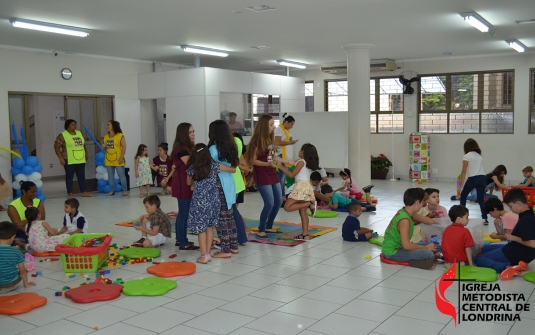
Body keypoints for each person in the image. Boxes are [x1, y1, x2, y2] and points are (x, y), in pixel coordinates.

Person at [245, 114, 293, 238]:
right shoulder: (256, 142)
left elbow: (273, 157)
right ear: (263, 126)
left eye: (273, 124)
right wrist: (268, 163)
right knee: (269, 203)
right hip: (261, 175)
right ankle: (261, 229)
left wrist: (286, 161)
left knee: (278, 201)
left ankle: (269, 226)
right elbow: (253, 160)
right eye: (271, 125)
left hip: (272, 173)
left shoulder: (270, 141)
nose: (273, 127)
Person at [474, 188, 534, 280]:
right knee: (485, 249)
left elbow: (533, 244)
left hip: (517, 252)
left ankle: (506, 267)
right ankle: (520, 264)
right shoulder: (528, 214)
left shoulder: (526, 220)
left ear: (518, 203)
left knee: (479, 259)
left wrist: (513, 237)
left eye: (510, 206)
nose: (510, 209)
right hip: (516, 249)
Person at [381, 188, 437, 269]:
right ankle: (419, 262)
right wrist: (426, 247)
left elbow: (426, 220)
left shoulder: (408, 211)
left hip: (401, 247)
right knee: (429, 253)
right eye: (422, 202)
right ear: (417, 202)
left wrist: (443, 224)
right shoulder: (404, 220)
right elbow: (407, 246)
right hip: (393, 252)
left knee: (434, 245)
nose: (424, 204)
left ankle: (428, 257)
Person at [207, 120, 239, 257]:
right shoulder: (232, 147)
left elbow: (209, 168)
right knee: (229, 216)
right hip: (229, 183)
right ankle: (234, 246)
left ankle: (225, 250)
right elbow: (233, 168)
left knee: (221, 218)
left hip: (218, 183)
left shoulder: (213, 149)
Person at [186, 143, 221, 264]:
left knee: (201, 229)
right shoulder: (214, 166)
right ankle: (208, 254)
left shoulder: (192, 168)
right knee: (210, 227)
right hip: (214, 200)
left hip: (200, 201)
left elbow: (188, 183)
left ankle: (204, 255)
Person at [277, 143, 319, 240]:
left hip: (301, 186)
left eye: (300, 149)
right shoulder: (307, 163)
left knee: (287, 207)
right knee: (302, 213)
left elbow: (291, 175)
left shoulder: (301, 162)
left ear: (303, 152)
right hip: (307, 187)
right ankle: (305, 234)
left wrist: (281, 167)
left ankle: (310, 203)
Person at [171, 123, 199, 251]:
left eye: (193, 131)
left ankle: (180, 239)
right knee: (183, 213)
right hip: (183, 184)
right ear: (183, 134)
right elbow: (191, 164)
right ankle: (183, 242)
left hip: (186, 182)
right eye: (190, 132)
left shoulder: (187, 147)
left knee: (184, 213)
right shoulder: (181, 149)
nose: (193, 134)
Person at [54, 119, 94, 199]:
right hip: (69, 159)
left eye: (75, 124)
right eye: (72, 125)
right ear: (68, 126)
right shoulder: (62, 135)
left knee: (81, 176)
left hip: (80, 159)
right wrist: (61, 158)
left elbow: (83, 144)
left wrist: (86, 153)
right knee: (69, 177)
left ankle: (84, 191)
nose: (74, 126)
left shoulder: (79, 133)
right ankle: (70, 193)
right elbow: (56, 147)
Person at [8, 181, 45, 252]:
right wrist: (29, 231)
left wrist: (28, 222)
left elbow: (42, 219)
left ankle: (24, 243)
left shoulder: (38, 202)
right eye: (32, 192)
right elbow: (18, 225)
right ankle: (23, 244)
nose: (35, 194)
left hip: (36, 228)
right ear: (24, 191)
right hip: (22, 231)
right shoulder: (13, 206)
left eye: (35, 192)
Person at [458, 138, 488, 224]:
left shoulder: (466, 156)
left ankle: (461, 215)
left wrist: (461, 186)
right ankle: (485, 219)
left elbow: (464, 171)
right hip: (482, 178)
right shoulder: (479, 156)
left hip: (473, 178)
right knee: (480, 199)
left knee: (463, 196)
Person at [0, 221, 35, 294]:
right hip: (10, 283)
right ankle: (7, 287)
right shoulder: (16, 251)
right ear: (13, 236)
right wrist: (26, 284)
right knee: (18, 272)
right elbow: (22, 270)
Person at [274, 113, 298, 202]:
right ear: (286, 122)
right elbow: (277, 143)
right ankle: (281, 196)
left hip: (285, 155)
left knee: (282, 176)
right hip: (279, 155)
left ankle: (282, 195)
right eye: (291, 124)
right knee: (281, 176)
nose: (292, 126)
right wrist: (290, 143)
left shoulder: (286, 130)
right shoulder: (279, 129)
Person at [232, 132, 249, 244]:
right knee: (234, 211)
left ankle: (242, 233)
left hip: (238, 184)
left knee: (234, 211)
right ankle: (242, 232)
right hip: (237, 184)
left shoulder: (239, 156)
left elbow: (247, 169)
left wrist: (237, 165)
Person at [104, 120, 128, 196]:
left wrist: (121, 157)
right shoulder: (106, 136)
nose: (107, 126)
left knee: (121, 176)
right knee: (110, 176)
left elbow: (124, 147)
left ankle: (125, 191)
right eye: (107, 125)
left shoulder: (120, 136)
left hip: (118, 159)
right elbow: (106, 148)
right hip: (109, 159)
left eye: (109, 125)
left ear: (113, 126)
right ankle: (111, 191)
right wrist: (104, 147)